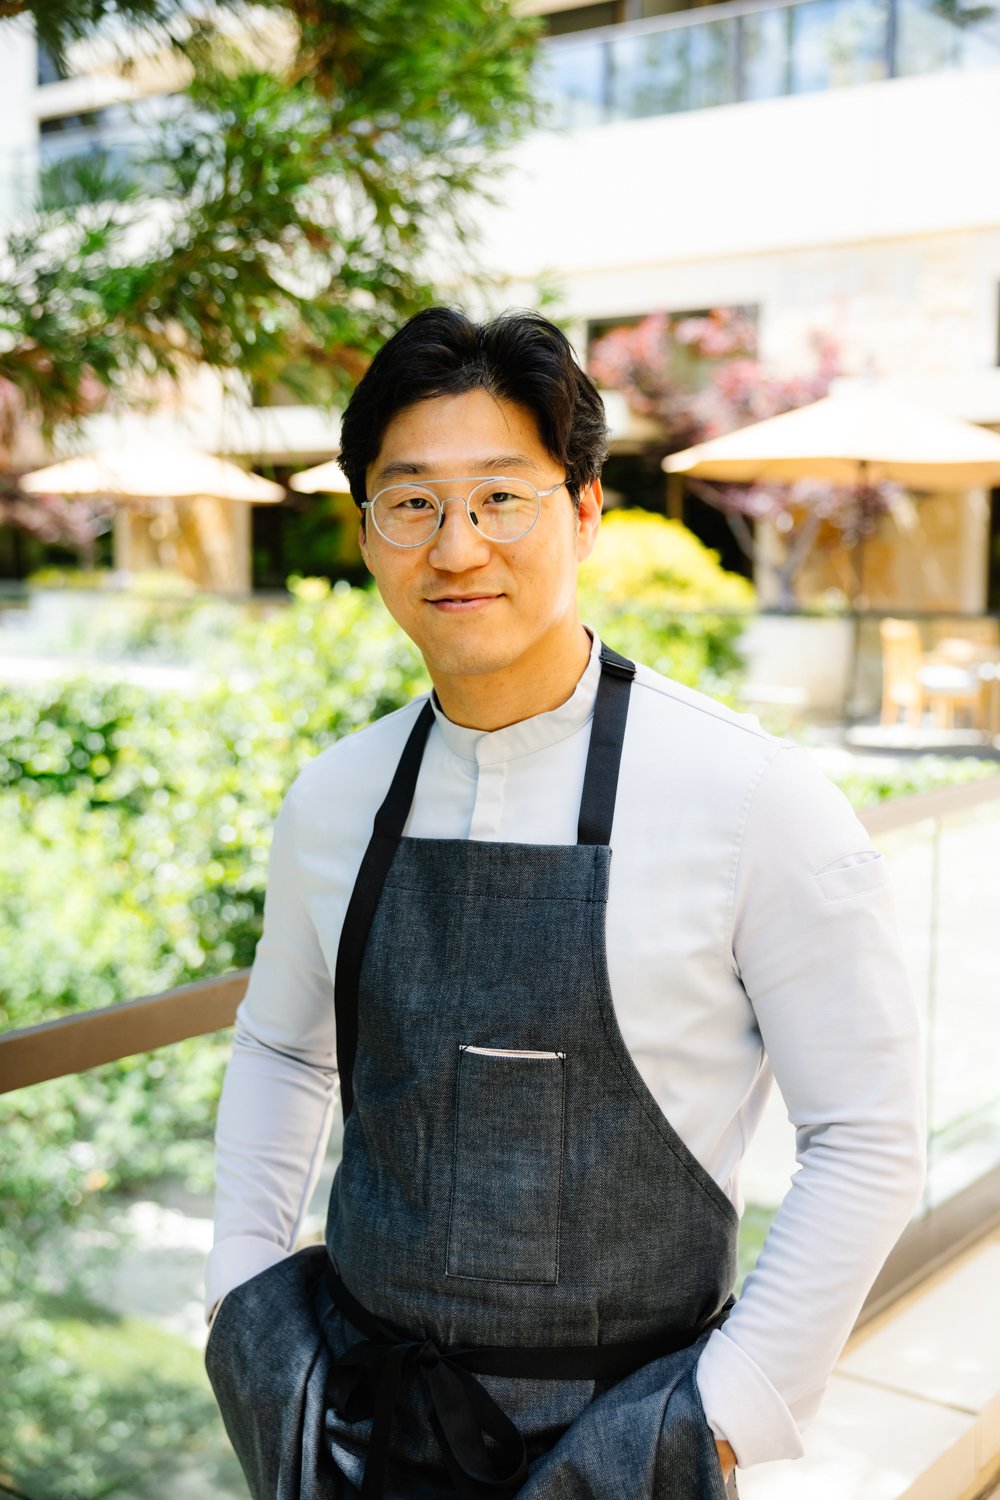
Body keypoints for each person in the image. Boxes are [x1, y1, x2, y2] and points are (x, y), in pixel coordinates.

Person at [204, 307, 925, 1500]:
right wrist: (242, 1296)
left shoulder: (752, 798)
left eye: (501, 498)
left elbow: (866, 1133)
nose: (456, 546)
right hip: (353, 1419)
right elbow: (283, 1047)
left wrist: (723, 1413)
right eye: (413, 501)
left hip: (627, 1438)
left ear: (585, 512)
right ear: (368, 528)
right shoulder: (332, 799)